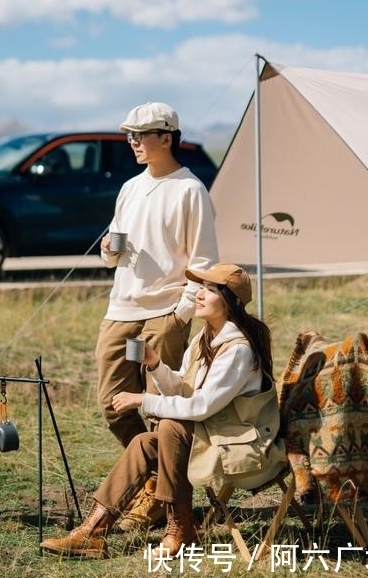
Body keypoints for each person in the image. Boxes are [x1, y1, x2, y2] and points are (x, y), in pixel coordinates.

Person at [41, 263, 285, 560]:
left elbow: (200, 406)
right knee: (144, 443)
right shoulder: (203, 339)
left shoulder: (238, 350)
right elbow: (184, 388)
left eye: (210, 290)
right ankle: (93, 531)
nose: (199, 295)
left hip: (242, 447)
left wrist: (142, 400)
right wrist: (155, 365)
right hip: (213, 436)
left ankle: (180, 528)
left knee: (170, 427)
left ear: (230, 300)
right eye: (200, 288)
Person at [96, 102, 219, 529]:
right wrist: (109, 250)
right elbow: (111, 254)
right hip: (122, 309)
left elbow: (203, 260)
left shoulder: (191, 191)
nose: (133, 142)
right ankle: (151, 475)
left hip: (164, 311)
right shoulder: (129, 187)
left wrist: (181, 315)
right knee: (112, 404)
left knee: (164, 410)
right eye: (129, 135)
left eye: (141, 135)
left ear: (166, 137)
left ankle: (161, 501)